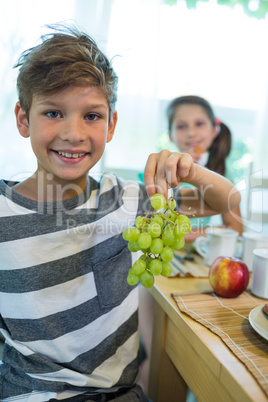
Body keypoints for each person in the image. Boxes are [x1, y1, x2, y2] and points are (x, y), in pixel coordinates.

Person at [0, 24, 241, 401]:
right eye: (53, 113)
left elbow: (225, 201)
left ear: (111, 124)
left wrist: (190, 170)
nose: (73, 133)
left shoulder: (125, 199)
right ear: (23, 119)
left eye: (91, 116)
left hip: (119, 394)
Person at [167, 95, 243, 242]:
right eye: (181, 126)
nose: (191, 133)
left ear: (214, 130)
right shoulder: (162, 168)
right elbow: (156, 215)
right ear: (170, 135)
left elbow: (235, 229)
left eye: (199, 124)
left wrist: (180, 236)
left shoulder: (222, 173)